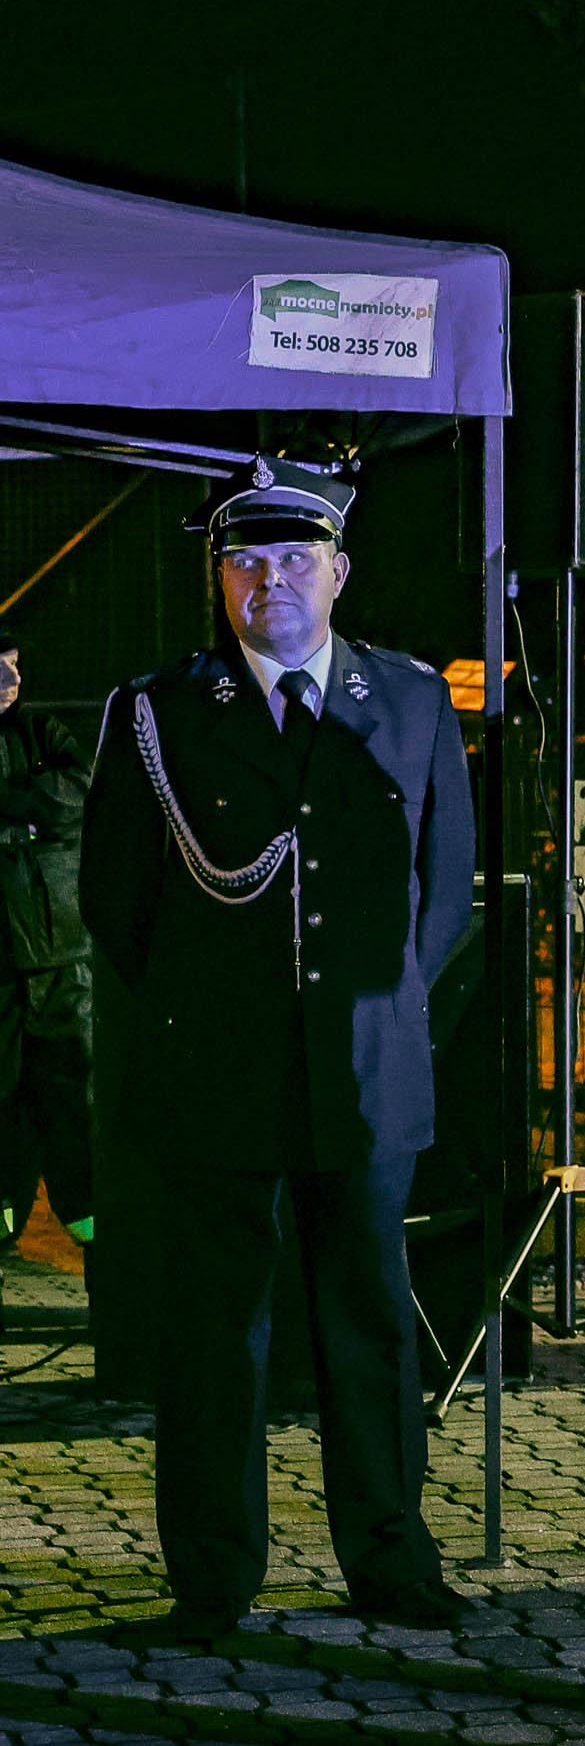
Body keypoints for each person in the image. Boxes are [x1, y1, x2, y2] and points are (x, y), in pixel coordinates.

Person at [80, 459, 475, 1643]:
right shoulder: (157, 709)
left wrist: (374, 1008)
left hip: (365, 1070)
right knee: (215, 1332)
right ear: (221, 577)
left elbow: (442, 892)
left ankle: (391, 1562)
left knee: (370, 1320)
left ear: (339, 571)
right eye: (245, 561)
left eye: (295, 558)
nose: (269, 582)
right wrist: (208, 1012)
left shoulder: (409, 700)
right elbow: (119, 897)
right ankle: (212, 1578)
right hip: (216, 1069)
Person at [0, 630, 96, 1250]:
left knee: (78, 1112)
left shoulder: (43, 732)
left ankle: (100, 1254)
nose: (11, 680)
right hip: (10, 975)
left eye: (13, 666)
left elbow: (77, 792)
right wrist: (27, 821)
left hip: (62, 964)